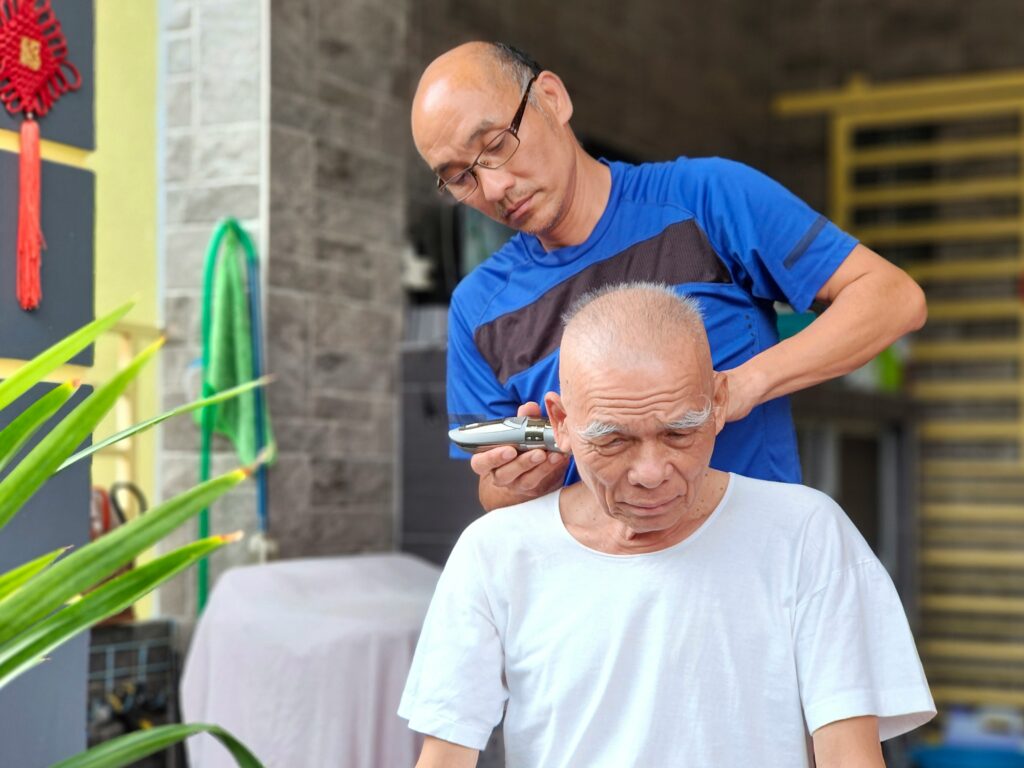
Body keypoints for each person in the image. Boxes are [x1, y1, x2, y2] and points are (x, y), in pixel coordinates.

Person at [398, 283, 935, 768]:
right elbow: (445, 755)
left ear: (718, 403)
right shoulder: (496, 552)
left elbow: (850, 758)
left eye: (680, 433)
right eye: (613, 439)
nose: (651, 473)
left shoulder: (805, 534)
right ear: (559, 423)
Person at [409, 42, 927, 512]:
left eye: (498, 143)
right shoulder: (478, 307)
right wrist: (523, 480)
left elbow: (892, 298)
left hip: (748, 570)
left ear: (551, 98)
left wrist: (745, 384)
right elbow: (491, 492)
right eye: (460, 176)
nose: (494, 187)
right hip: (601, 591)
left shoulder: (708, 198)